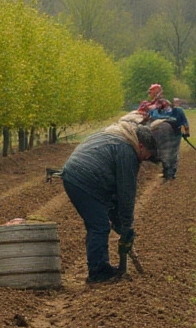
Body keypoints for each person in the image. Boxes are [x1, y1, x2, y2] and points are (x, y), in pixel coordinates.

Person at [59, 121, 160, 284]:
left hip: (75, 175)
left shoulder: (117, 136)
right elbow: (126, 192)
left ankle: (100, 268)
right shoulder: (127, 150)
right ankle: (98, 273)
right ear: (140, 145)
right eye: (147, 154)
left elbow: (114, 196)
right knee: (99, 226)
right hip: (84, 179)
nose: (146, 159)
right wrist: (127, 226)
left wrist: (118, 222)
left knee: (97, 224)